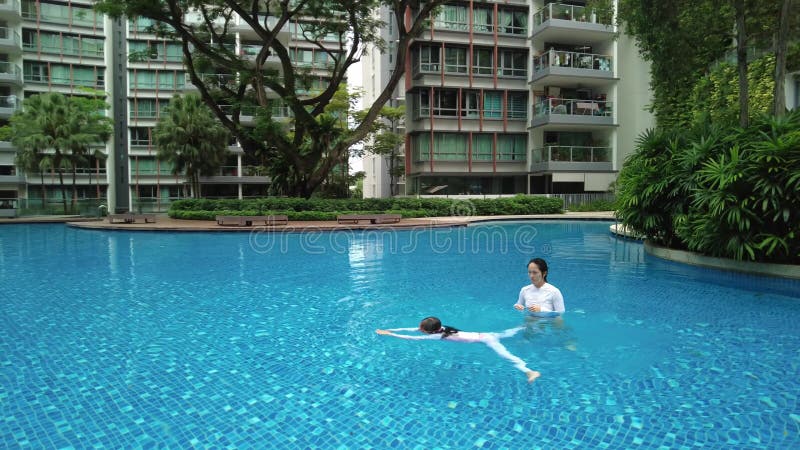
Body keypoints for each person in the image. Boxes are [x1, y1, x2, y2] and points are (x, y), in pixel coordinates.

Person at [376, 316, 541, 383]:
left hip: (486, 340)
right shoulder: (442, 328)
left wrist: (390, 335)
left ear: (430, 331)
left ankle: (528, 371)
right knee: (508, 333)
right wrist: (391, 330)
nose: (419, 329)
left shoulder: (437, 336)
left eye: (422, 328)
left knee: (506, 356)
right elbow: (414, 329)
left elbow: (412, 337)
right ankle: (528, 324)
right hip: (484, 335)